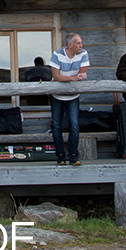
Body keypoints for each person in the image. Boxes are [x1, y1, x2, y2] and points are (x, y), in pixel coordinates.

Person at [49, 33, 89, 166]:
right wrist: (72, 78)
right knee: (56, 125)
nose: (81, 46)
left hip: (73, 95)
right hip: (56, 95)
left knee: (74, 125)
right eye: (78, 43)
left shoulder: (83, 54)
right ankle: (60, 156)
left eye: (81, 43)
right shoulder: (57, 54)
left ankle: (73, 155)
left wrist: (66, 78)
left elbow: (82, 74)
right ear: (70, 45)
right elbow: (56, 76)